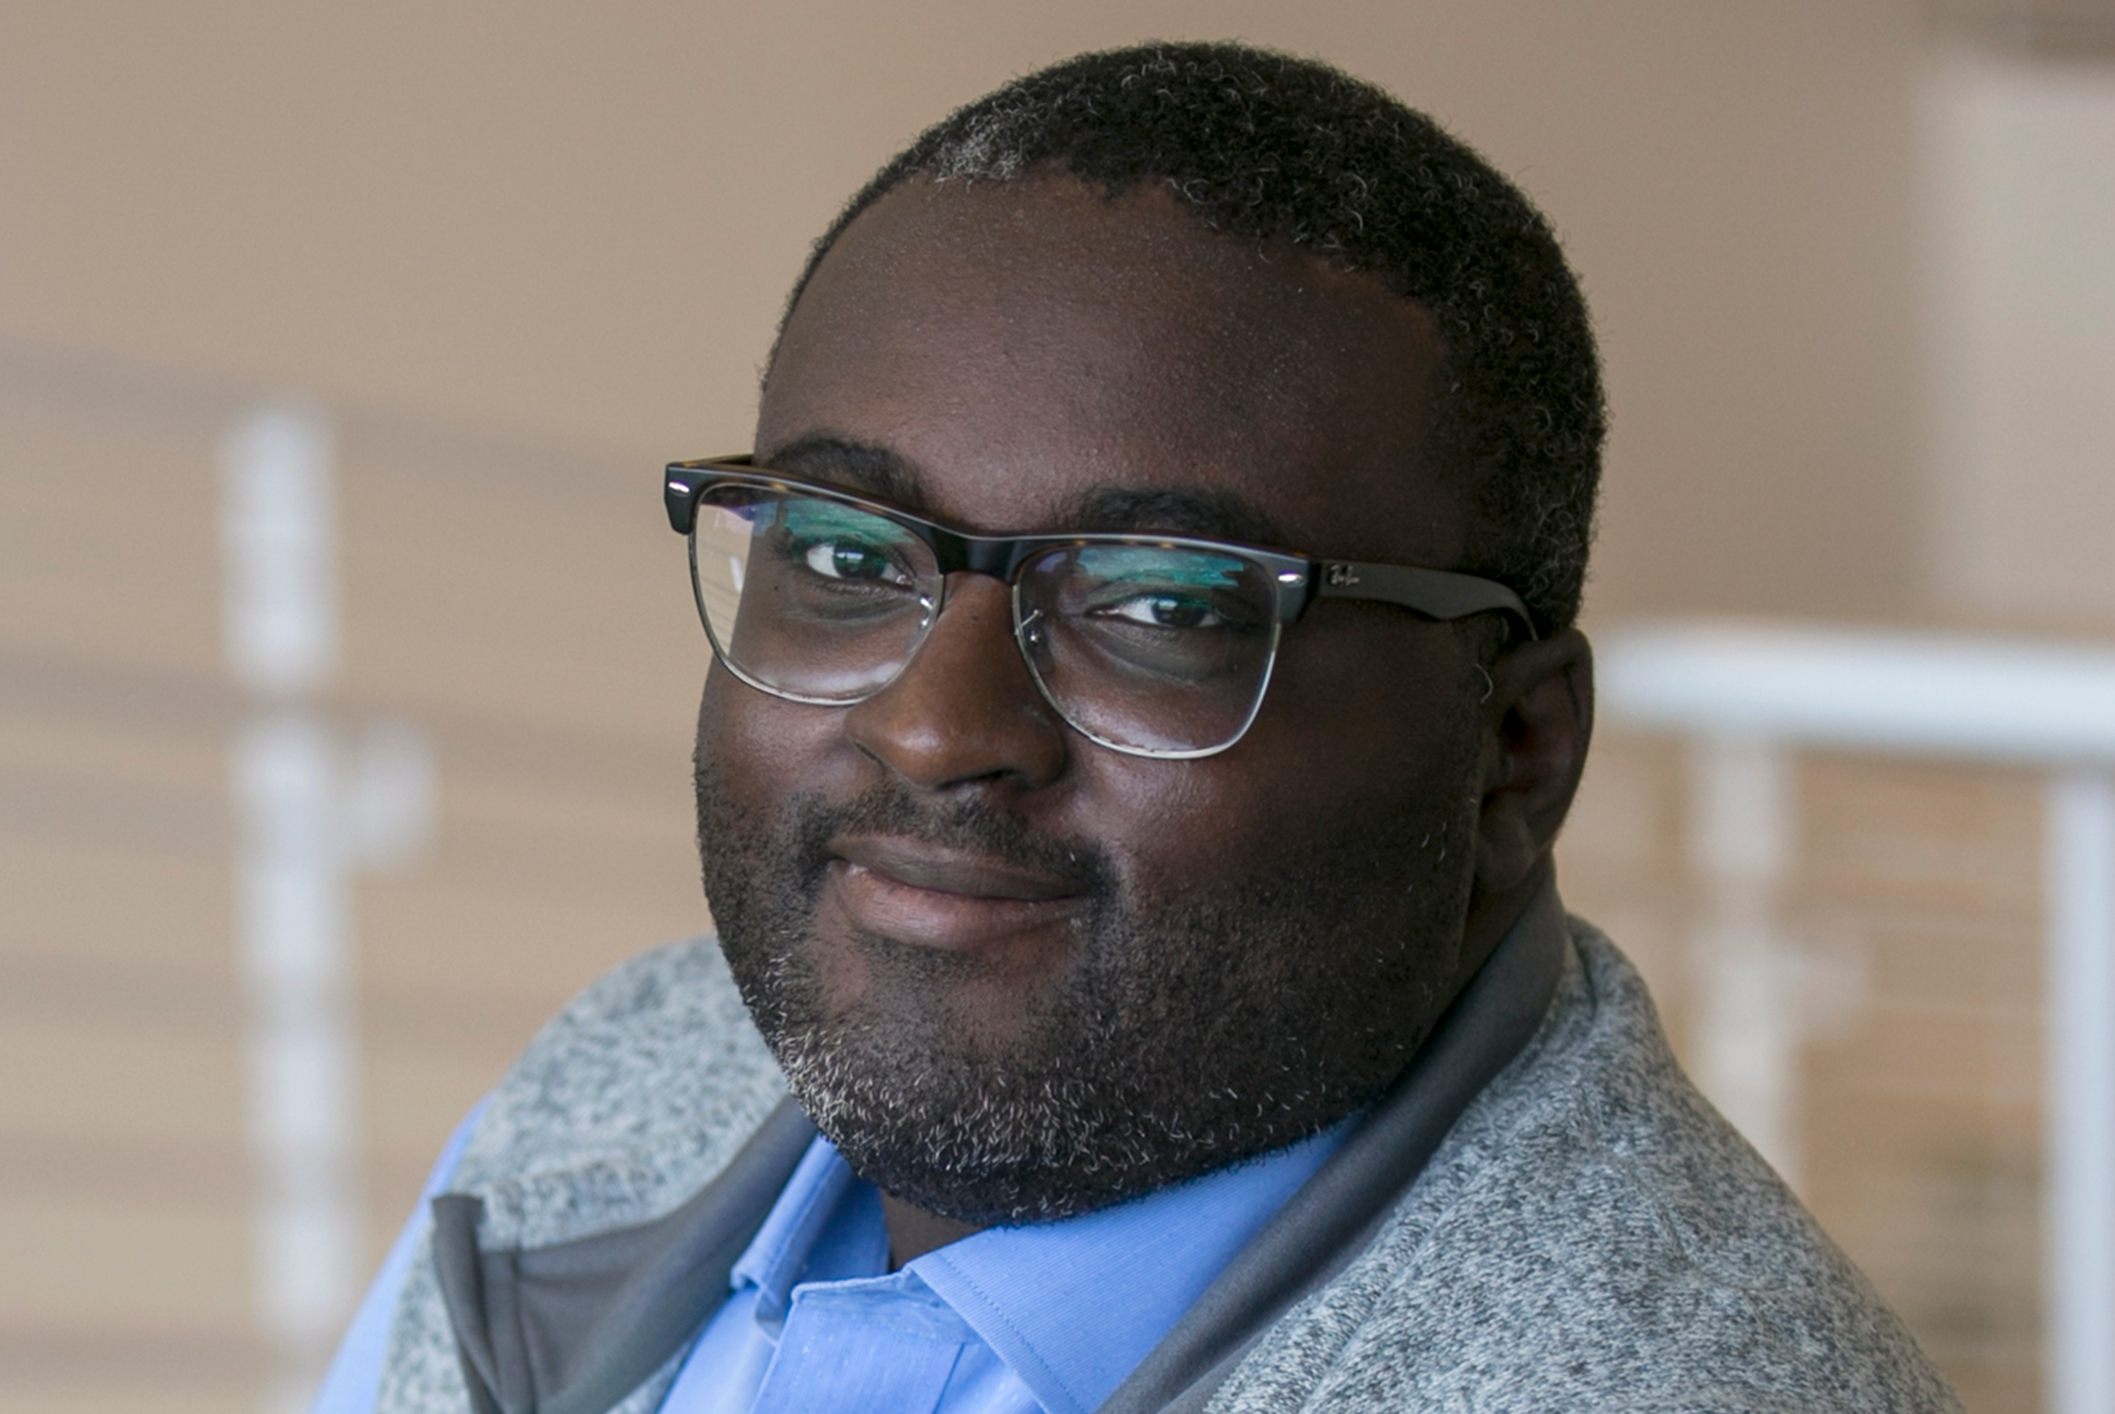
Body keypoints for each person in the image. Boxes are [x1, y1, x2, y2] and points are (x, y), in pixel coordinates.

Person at [319, 41, 1962, 1414]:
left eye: (1165, 603)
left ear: (1512, 755)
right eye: (844, 555)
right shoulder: (606, 1105)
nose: (935, 727)